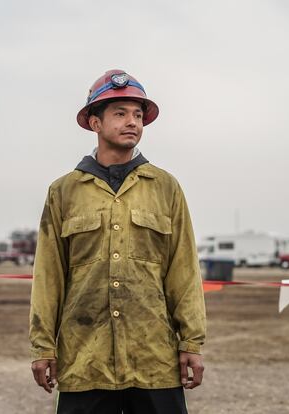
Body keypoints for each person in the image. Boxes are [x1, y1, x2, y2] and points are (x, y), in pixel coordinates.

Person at [29, 69, 206, 414]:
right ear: (95, 123)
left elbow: (184, 272)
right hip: (85, 360)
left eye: (138, 115)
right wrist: (43, 348)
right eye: (120, 113)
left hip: (154, 360)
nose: (133, 123)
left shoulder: (165, 187)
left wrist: (192, 343)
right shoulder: (63, 192)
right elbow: (49, 276)